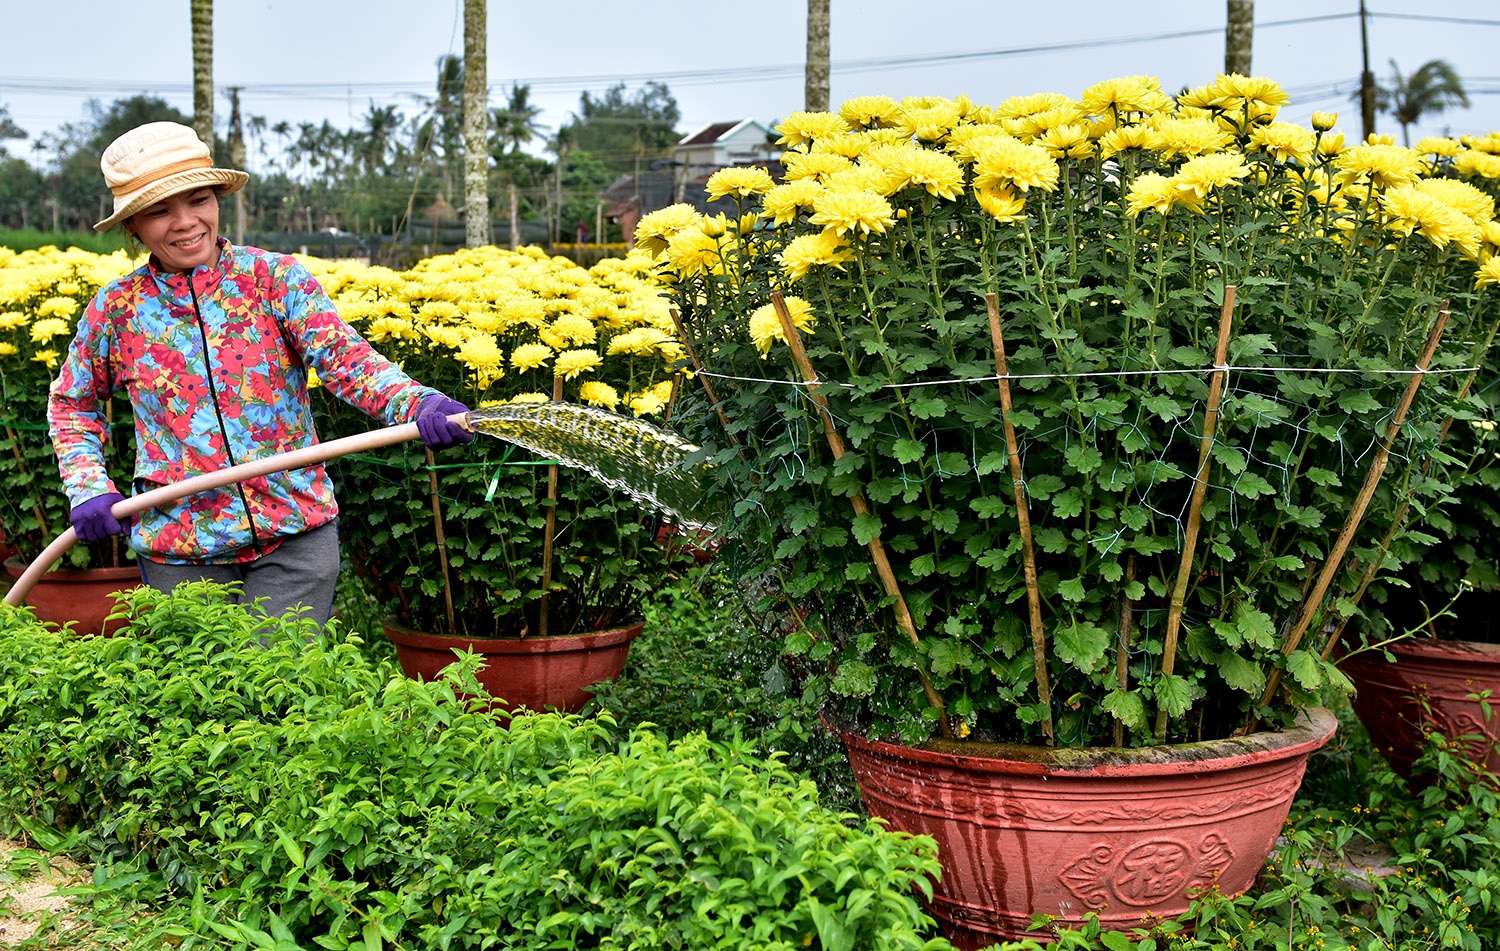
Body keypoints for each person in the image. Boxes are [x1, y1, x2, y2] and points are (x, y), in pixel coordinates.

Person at [48, 121, 473, 625]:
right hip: (180, 548)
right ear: (134, 227)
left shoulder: (273, 279)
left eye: (198, 200)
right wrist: (88, 486)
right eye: (159, 210)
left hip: (294, 533)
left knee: (284, 691)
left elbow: (346, 361)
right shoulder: (118, 309)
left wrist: (416, 403)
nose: (185, 222)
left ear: (217, 201)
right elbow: (72, 404)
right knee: (201, 697)